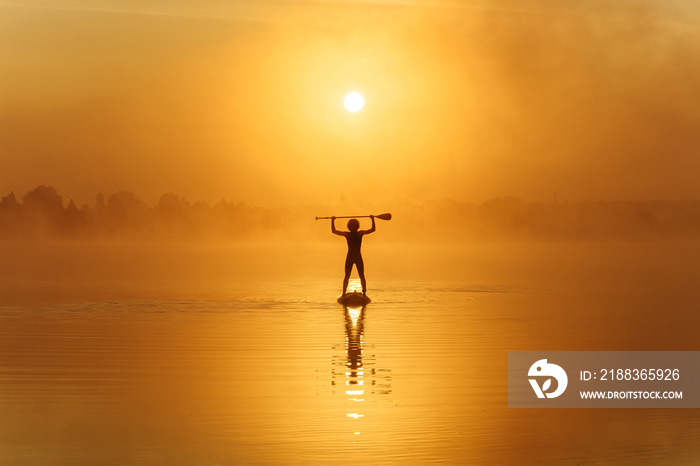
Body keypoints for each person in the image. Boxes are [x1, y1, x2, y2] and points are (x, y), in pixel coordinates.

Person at [332, 215, 376, 296]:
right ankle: (348, 293)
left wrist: (333, 220)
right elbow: (334, 231)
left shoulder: (350, 234)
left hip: (353, 257)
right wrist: (372, 219)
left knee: (354, 276)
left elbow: (334, 231)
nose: (353, 227)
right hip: (355, 257)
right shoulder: (359, 234)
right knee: (354, 276)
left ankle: (360, 293)